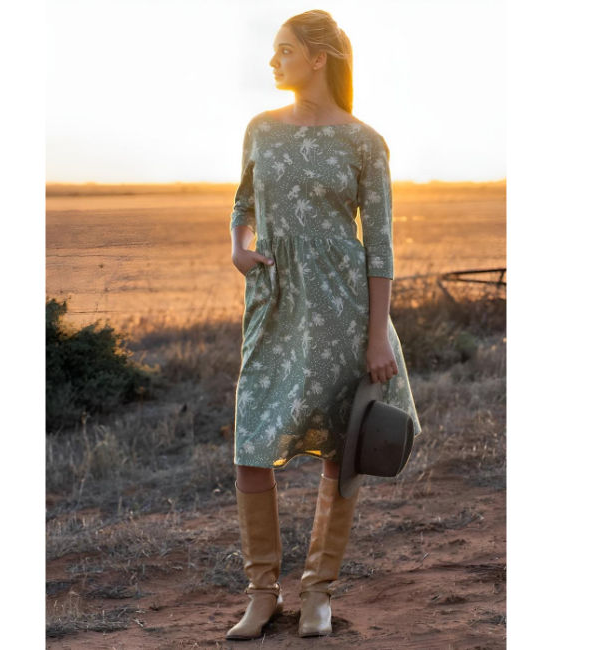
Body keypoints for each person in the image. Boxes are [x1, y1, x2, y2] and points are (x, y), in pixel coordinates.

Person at [226, 9, 422, 640]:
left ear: (319, 58)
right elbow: (243, 203)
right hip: (275, 306)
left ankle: (317, 594)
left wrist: (376, 335)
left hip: (344, 311)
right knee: (251, 445)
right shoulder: (261, 129)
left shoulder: (365, 142)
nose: (272, 60)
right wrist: (240, 247)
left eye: (284, 50)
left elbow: (379, 246)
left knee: (342, 447)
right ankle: (261, 595)